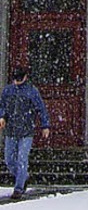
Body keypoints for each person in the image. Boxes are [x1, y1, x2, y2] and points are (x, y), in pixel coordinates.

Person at [0, 66, 50, 200]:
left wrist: (45, 125)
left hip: (27, 130)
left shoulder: (31, 91)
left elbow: (41, 108)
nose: (16, 82)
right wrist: (2, 117)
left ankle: (18, 188)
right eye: (15, 79)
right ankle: (23, 177)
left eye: (19, 79)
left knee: (22, 158)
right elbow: (2, 106)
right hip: (11, 130)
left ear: (25, 77)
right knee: (9, 159)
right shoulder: (8, 91)